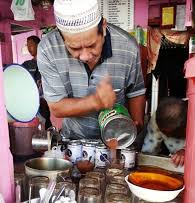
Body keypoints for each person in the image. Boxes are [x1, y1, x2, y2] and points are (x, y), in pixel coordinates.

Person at [37, 0, 146, 140]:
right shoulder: (48, 49)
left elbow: (136, 92)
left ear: (104, 27)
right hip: (74, 140)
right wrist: (96, 101)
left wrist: (136, 125)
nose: (85, 56)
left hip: (117, 139)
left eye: (92, 45)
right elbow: (56, 107)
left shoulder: (128, 47)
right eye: (74, 48)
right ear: (61, 36)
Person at [141, 97, 187, 167]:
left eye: (171, 134)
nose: (167, 136)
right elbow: (149, 151)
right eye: (163, 132)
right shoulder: (157, 120)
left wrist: (187, 152)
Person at [22, 35, 52, 129]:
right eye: (27, 46)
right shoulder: (26, 65)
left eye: (31, 45)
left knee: (45, 123)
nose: (29, 48)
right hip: (30, 102)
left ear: (39, 45)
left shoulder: (47, 62)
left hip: (45, 102)